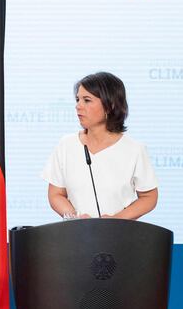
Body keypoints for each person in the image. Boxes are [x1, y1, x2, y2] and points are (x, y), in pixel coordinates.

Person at [41, 72, 158, 219]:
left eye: (87, 100)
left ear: (110, 105)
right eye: (78, 99)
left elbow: (149, 197)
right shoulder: (66, 144)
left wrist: (117, 220)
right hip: (76, 235)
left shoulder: (134, 149)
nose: (78, 106)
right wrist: (74, 218)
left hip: (118, 236)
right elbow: (56, 194)